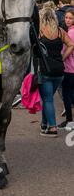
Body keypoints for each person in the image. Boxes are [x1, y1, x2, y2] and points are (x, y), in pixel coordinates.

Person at [38, 7, 74, 137]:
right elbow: (71, 45)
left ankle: (52, 128)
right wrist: (62, 57)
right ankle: (44, 124)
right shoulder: (60, 31)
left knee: (47, 99)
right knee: (48, 98)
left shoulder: (40, 32)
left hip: (45, 70)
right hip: (59, 71)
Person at [58, 10, 74, 131]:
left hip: (69, 68)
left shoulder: (71, 32)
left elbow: (69, 48)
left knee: (67, 95)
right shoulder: (69, 31)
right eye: (66, 18)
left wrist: (62, 58)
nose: (67, 20)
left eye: (70, 18)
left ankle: (69, 121)